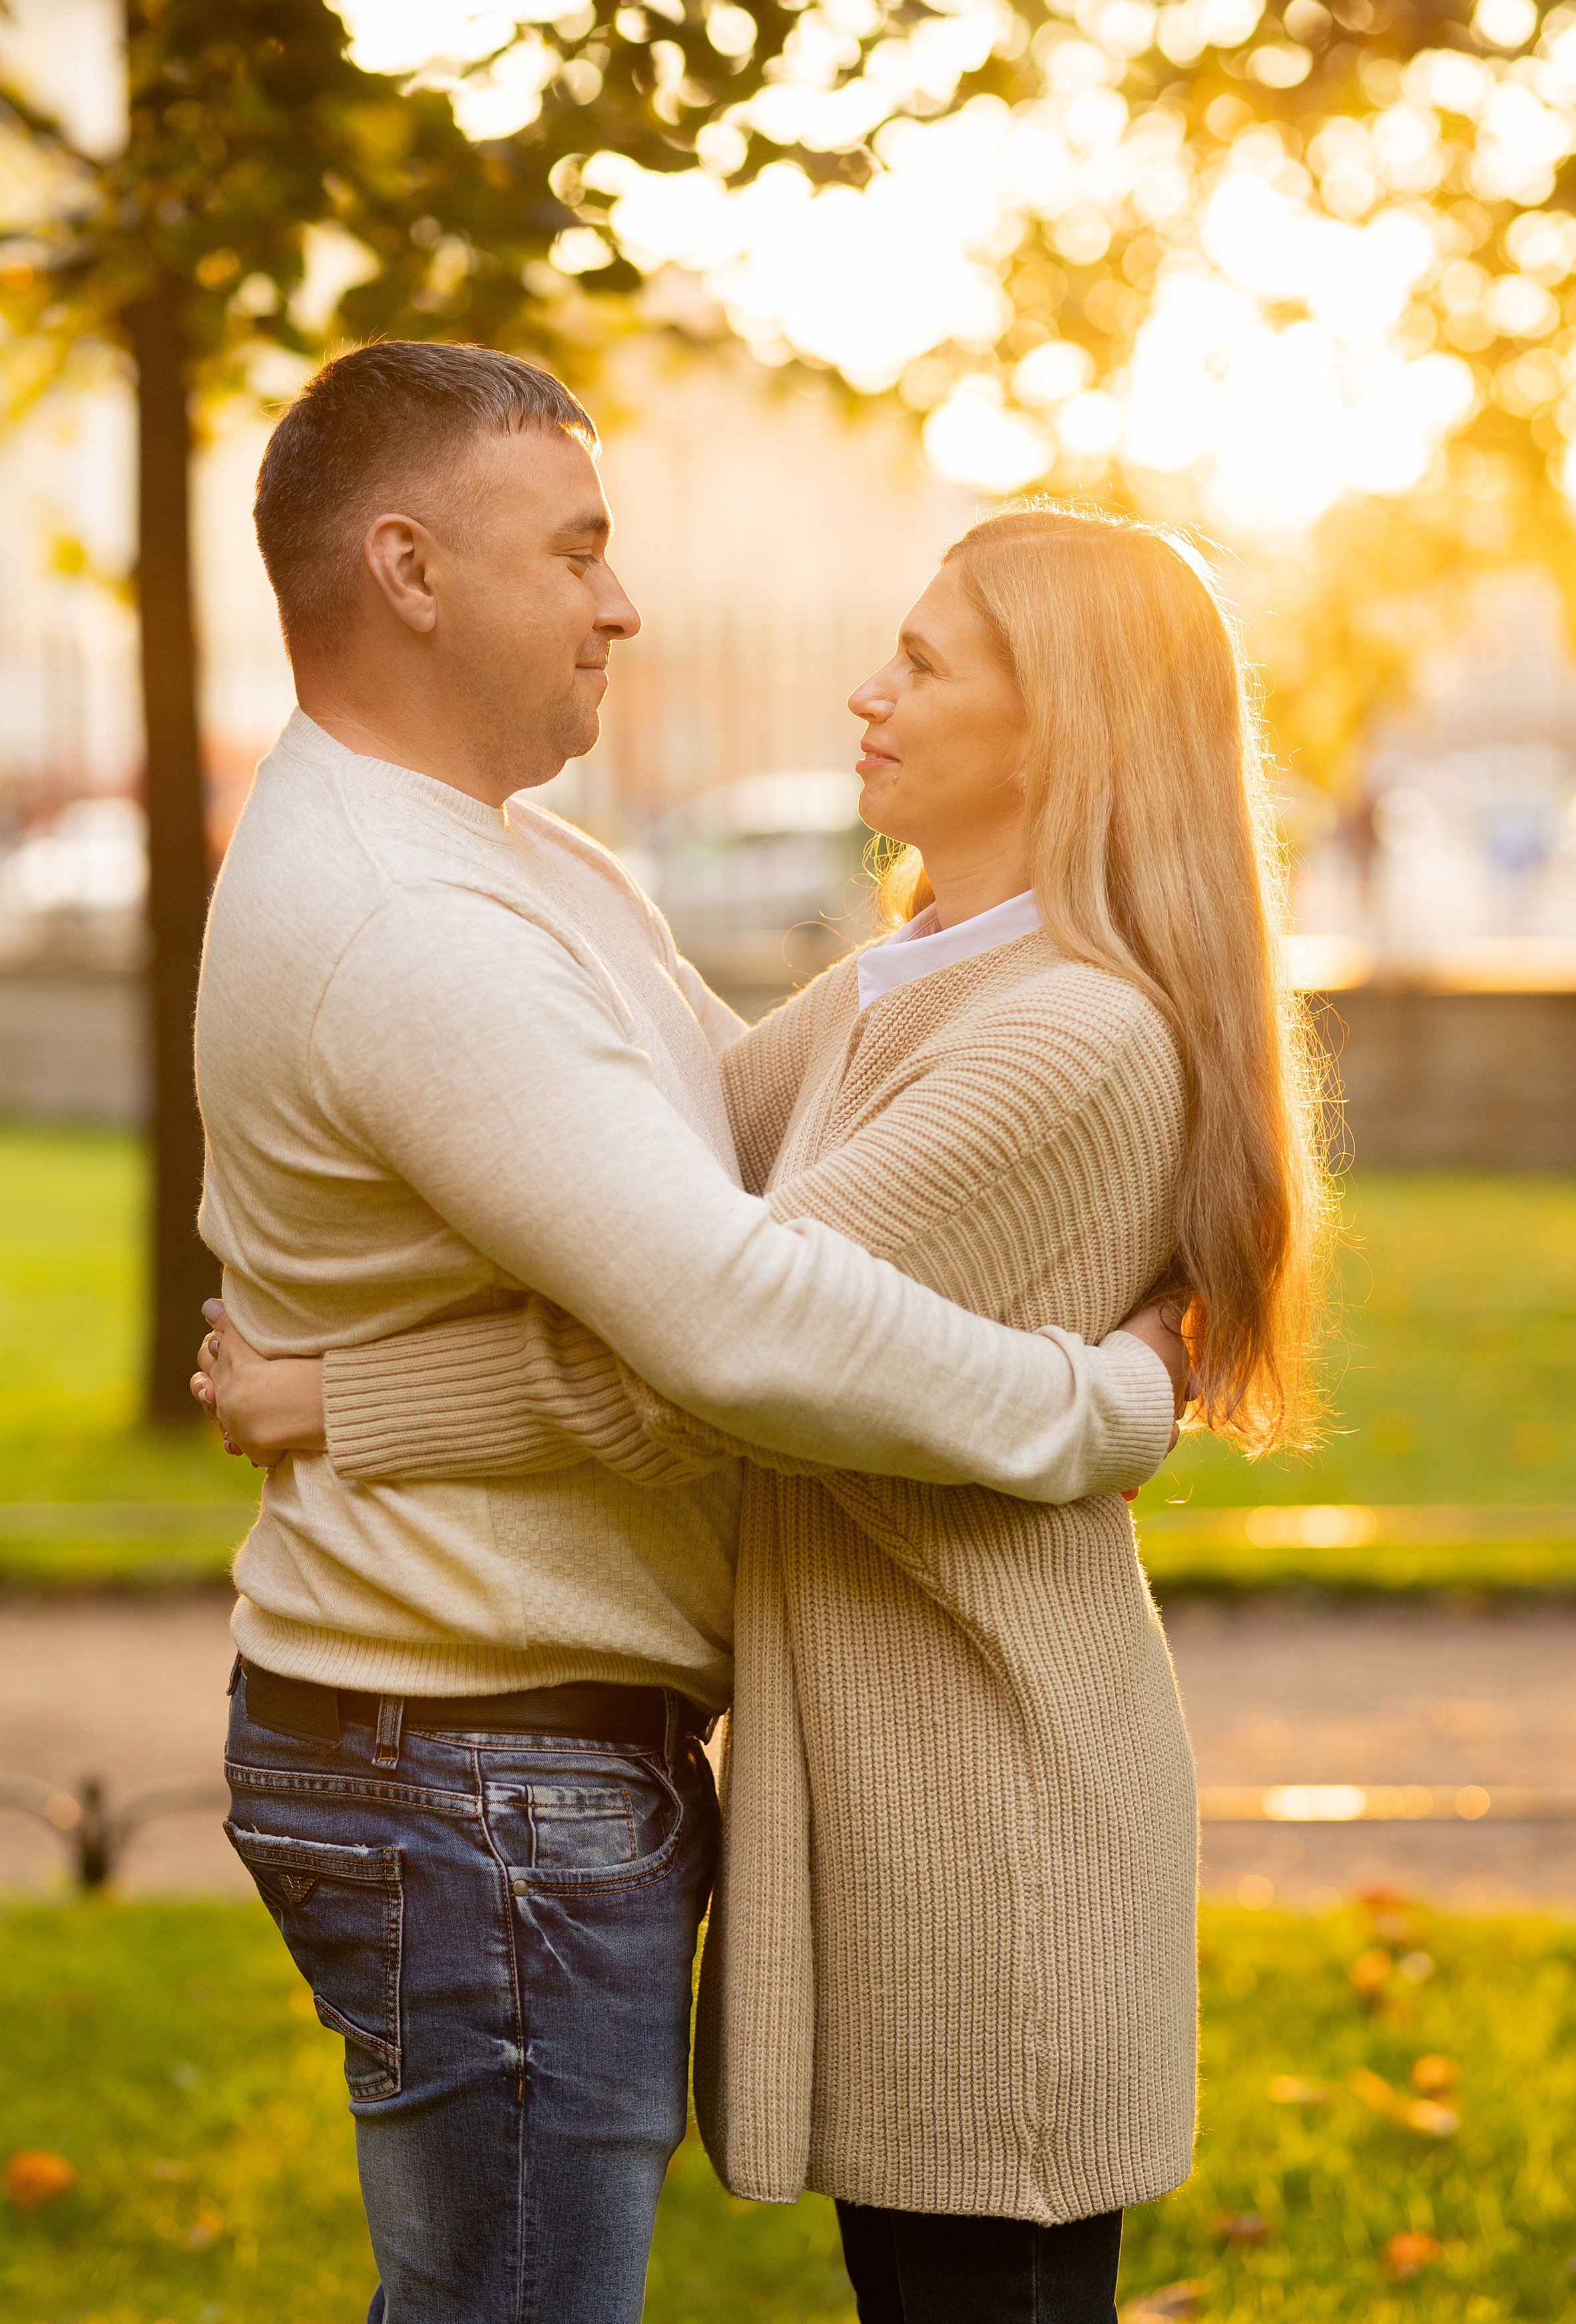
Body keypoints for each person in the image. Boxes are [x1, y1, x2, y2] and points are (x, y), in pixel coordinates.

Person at [202, 495, 1326, 2324]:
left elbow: (712, 1367)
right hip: (897, 1778)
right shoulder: (918, 980)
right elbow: (676, 1232)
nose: (869, 688)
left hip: (987, 1800)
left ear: (1066, 729)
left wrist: (348, 1393)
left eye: (927, 661)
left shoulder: (1068, 1035)